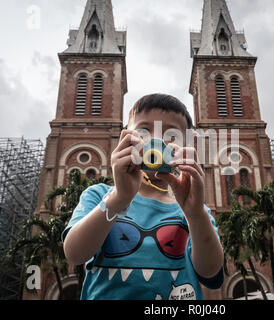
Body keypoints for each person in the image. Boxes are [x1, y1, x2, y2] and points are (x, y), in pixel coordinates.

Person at [62, 93, 224, 300]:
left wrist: (195, 214)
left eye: (171, 136)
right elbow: (75, 254)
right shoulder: (100, 195)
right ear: (125, 138)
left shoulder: (195, 210)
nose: (156, 141)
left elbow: (210, 271)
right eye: (144, 131)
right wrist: (120, 197)